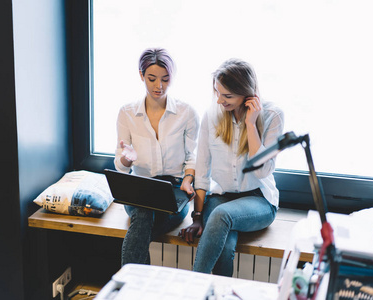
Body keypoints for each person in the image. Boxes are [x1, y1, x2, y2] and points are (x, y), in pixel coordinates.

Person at [179, 58, 284, 276]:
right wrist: (197, 218)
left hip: (259, 200)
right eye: (217, 93)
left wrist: (251, 124)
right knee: (224, 247)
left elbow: (263, 171)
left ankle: (193, 287)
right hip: (221, 196)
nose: (219, 101)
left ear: (247, 94)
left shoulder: (272, 116)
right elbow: (203, 169)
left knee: (220, 215)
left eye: (227, 96)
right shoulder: (213, 115)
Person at [114, 48, 199, 266]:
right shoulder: (127, 113)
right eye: (151, 79)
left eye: (165, 79)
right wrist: (127, 159)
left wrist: (188, 179)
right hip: (139, 191)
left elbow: (193, 157)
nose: (158, 86)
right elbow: (120, 166)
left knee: (142, 223)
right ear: (141, 75)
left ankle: (129, 287)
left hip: (172, 193)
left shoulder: (186, 113)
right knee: (143, 213)